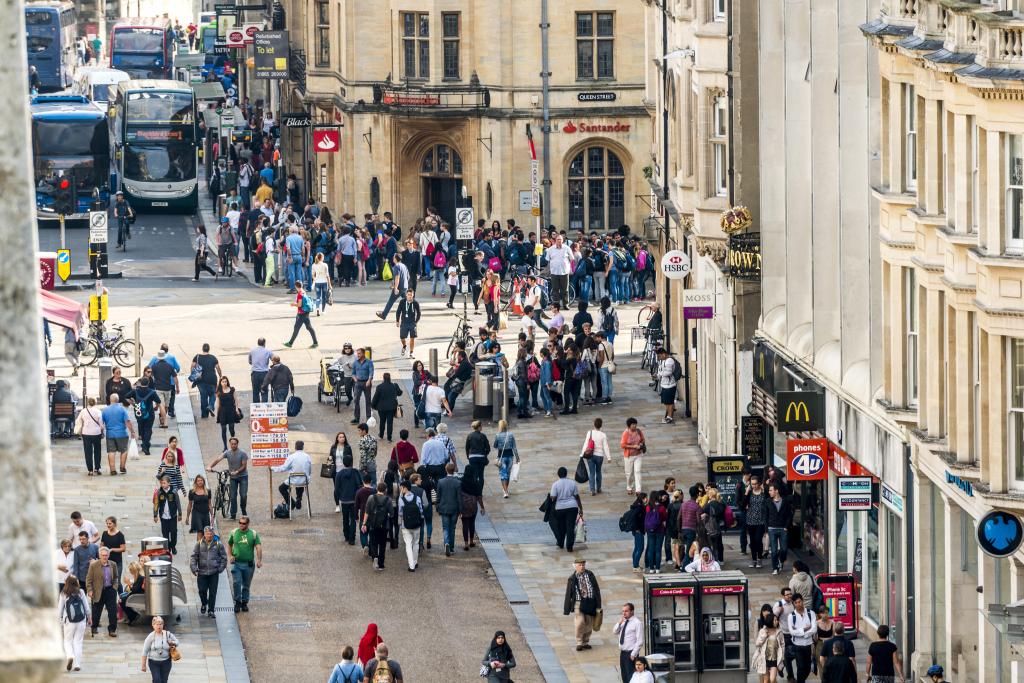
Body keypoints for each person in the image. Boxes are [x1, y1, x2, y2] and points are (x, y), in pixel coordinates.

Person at [563, 557, 601, 652]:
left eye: (583, 564)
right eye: (580, 565)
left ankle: (585, 642)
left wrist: (598, 603)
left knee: (589, 623)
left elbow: (596, 589)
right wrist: (566, 608)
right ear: (575, 566)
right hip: (578, 603)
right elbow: (568, 594)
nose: (582, 566)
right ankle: (579, 642)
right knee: (580, 622)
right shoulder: (572, 578)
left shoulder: (590, 574)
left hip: (590, 602)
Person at [190, 526, 227, 618]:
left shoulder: (218, 544)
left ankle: (211, 610)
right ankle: (204, 603)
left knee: (213, 592)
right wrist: (194, 568)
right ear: (204, 534)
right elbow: (194, 557)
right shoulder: (198, 544)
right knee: (202, 591)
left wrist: (220, 568)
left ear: (213, 534)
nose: (209, 535)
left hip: (214, 573)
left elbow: (224, 558)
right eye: (207, 534)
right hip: (202, 572)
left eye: (210, 533)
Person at [227, 516, 262, 613]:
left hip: (249, 565)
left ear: (248, 524)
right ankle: (237, 602)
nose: (241, 525)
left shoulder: (253, 534)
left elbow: (258, 547)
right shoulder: (234, 533)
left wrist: (259, 560)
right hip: (236, 563)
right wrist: (230, 556)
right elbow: (229, 544)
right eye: (240, 523)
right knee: (236, 583)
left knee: (246, 585)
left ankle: (244, 602)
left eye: (244, 523)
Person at [210, 438, 248, 519]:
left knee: (243, 495)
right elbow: (218, 459)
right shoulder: (227, 452)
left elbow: (244, 466)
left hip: (243, 477)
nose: (233, 445)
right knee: (233, 496)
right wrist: (210, 466)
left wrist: (237, 471)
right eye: (232, 444)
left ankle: (243, 509)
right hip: (233, 477)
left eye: (235, 444)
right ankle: (233, 514)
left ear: (237, 444)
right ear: (230, 444)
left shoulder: (243, 453)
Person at [85, 547, 119, 638]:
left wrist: (114, 587)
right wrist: (90, 590)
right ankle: (94, 627)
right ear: (99, 556)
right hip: (98, 591)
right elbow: (88, 579)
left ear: (109, 555)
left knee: (112, 611)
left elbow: (116, 577)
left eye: (106, 555)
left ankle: (112, 630)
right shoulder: (93, 565)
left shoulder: (113, 564)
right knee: (96, 611)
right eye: (103, 555)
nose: (105, 557)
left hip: (110, 591)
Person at [58, 575, 90, 672]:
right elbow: (86, 607)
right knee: (78, 642)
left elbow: (59, 610)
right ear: (76, 583)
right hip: (81, 620)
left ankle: (70, 656)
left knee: (67, 641)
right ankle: (77, 665)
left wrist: (59, 620)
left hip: (69, 622)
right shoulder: (81, 592)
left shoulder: (63, 594)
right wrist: (89, 617)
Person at [362, 483, 394, 571]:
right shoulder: (388, 500)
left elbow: (367, 512)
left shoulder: (371, 498)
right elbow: (392, 514)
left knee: (373, 542)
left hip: (373, 524)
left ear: (377, 489)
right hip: (384, 526)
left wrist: (364, 523)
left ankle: (374, 556)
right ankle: (381, 564)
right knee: (383, 545)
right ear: (385, 490)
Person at [549, 466, 583, 552]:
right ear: (566, 474)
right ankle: (569, 546)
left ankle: (560, 542)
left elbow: (553, 497)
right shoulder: (572, 483)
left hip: (560, 508)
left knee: (561, 526)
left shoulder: (555, 484)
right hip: (572, 507)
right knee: (570, 526)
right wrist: (581, 508)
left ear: (558, 475)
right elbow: (576, 496)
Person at [102, 393, 136, 475]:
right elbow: (127, 422)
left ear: (110, 400)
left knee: (111, 451)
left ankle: (112, 469)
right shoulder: (122, 409)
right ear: (118, 400)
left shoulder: (105, 410)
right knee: (124, 450)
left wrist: (102, 432)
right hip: (122, 433)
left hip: (110, 434)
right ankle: (122, 467)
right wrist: (132, 431)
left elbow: (101, 423)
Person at [272, 441, 313, 509]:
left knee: (281, 488)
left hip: (293, 480)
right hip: (304, 480)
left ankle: (292, 503)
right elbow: (309, 471)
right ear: (303, 447)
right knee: (300, 482)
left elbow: (283, 468)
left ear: (295, 447)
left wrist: (273, 468)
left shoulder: (292, 457)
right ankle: (299, 498)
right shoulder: (307, 457)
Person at [141, 616, 179, 683]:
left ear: (163, 625)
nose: (159, 626)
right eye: (157, 624)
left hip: (166, 662)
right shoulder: (150, 636)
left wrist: (172, 643)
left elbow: (177, 642)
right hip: (153, 662)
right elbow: (145, 651)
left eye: (161, 624)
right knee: (157, 680)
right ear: (153, 625)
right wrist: (143, 665)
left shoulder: (168, 634)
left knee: (164, 681)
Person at [787, 593, 815, 683]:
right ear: (793, 604)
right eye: (796, 603)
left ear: (803, 601)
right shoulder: (791, 616)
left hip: (808, 644)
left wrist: (803, 633)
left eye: (800, 602)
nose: (798, 604)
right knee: (800, 667)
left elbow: (814, 629)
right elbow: (792, 632)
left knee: (807, 667)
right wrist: (805, 629)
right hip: (797, 645)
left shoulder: (811, 613)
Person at [397, 480, 424, 571]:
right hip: (416, 524)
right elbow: (421, 511)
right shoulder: (417, 498)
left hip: (406, 525)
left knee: (408, 544)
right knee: (415, 543)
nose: (400, 489)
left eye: (401, 487)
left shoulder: (401, 499)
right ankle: (415, 562)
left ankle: (411, 565)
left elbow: (400, 513)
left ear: (405, 488)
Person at [766, 483, 793, 575]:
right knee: (773, 551)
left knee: (784, 549)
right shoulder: (768, 501)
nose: (769, 492)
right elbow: (765, 515)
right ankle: (775, 568)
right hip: (772, 528)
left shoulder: (785, 501)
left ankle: (781, 561)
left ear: (776, 491)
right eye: (769, 490)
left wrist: (786, 526)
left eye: (771, 490)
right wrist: (766, 529)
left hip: (782, 528)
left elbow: (789, 514)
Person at [614, 602, 644, 683]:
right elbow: (615, 631)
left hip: (631, 653)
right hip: (623, 653)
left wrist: (633, 654)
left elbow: (640, 640)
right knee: (624, 675)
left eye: (626, 611)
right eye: (623, 611)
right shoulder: (623, 621)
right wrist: (619, 623)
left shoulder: (637, 623)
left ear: (632, 611)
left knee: (631, 675)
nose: (624, 613)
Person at [461, 456, 486, 550]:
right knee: (472, 523)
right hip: (473, 505)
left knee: (465, 524)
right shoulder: (476, 482)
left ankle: (466, 543)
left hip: (464, 505)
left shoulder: (461, 481)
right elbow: (479, 497)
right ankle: (471, 541)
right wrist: (482, 507)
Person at [284, 281, 319, 348]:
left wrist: (293, 304)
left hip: (302, 314)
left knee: (296, 328)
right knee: (309, 327)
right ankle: (315, 342)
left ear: (296, 286)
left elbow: (299, 304)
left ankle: (290, 343)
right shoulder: (303, 292)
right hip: (306, 312)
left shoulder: (300, 294)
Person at [190, 343, 221, 418]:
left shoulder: (197, 357)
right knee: (213, 394)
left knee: (203, 397)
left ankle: (204, 415)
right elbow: (218, 368)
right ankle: (210, 406)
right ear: (209, 349)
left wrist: (194, 375)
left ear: (202, 349)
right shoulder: (213, 358)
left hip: (201, 380)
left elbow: (192, 367)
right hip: (212, 380)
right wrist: (221, 376)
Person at [153, 476, 182, 554]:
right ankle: (168, 547)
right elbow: (156, 504)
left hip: (172, 516)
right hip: (163, 517)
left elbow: (178, 503)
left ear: (169, 483)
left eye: (164, 483)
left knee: (174, 532)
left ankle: (173, 546)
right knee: (165, 533)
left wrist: (180, 513)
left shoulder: (174, 492)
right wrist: (155, 515)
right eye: (162, 483)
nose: (163, 485)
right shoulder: (159, 492)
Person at [752, 612, 785, 683]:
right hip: (764, 659)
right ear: (770, 621)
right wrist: (764, 636)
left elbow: (782, 644)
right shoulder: (763, 631)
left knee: (772, 679)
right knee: (766, 680)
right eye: (775, 620)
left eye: (777, 620)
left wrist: (782, 655)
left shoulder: (779, 632)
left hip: (775, 659)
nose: (777, 621)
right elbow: (757, 644)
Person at [76, 397, 105, 475]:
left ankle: (90, 470)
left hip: (86, 433)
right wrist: (102, 431)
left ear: (88, 403)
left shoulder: (83, 411)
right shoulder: (98, 411)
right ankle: (97, 468)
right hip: (96, 433)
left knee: (88, 452)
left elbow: (78, 421)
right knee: (97, 451)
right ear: (95, 403)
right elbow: (101, 425)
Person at [582, 417, 610, 495]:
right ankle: (599, 488)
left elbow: (586, 443)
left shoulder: (590, 432)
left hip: (590, 455)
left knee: (592, 473)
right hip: (599, 456)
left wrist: (582, 453)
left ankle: (592, 490)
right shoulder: (603, 435)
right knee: (598, 472)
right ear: (601, 425)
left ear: (594, 424)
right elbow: (606, 446)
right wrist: (609, 457)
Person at [371, 373, 403, 442]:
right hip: (391, 408)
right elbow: (400, 393)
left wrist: (372, 405)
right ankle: (389, 437)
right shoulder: (394, 385)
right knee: (390, 422)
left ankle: (381, 434)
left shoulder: (379, 387)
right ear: (390, 378)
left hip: (381, 408)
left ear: (383, 378)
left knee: (382, 421)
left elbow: (376, 397)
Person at [493, 420, 519, 498]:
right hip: (510, 457)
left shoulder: (497, 435)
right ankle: (505, 490)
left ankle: (505, 491)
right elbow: (514, 447)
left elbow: (495, 445)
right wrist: (517, 457)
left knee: (503, 474)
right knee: (507, 474)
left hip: (502, 457)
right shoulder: (511, 435)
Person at [215, 376, 242, 449]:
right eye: (223, 381)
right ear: (220, 383)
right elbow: (217, 404)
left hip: (231, 410)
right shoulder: (218, 392)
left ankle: (233, 442)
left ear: (227, 382)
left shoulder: (232, 389)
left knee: (231, 428)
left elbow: (236, 399)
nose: (224, 383)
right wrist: (217, 414)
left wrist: (237, 409)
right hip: (223, 412)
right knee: (223, 429)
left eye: (225, 381)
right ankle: (225, 446)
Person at [620, 417, 646, 495]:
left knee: (637, 471)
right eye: (633, 424)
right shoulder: (626, 433)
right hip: (629, 456)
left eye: (635, 424)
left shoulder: (638, 431)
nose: (634, 426)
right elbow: (622, 445)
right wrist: (634, 446)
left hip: (638, 455)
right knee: (629, 473)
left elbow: (643, 439)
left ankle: (638, 490)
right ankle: (629, 487)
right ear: (629, 425)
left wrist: (641, 444)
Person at [350, 347, 375, 425]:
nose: (358, 355)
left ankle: (368, 418)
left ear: (363, 353)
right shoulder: (355, 363)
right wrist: (355, 379)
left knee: (368, 401)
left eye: (359, 353)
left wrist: (369, 380)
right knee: (356, 400)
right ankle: (357, 418)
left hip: (367, 383)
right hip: (358, 383)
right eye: (357, 353)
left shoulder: (369, 362)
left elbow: (371, 372)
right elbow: (353, 373)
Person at [186, 475, 212, 542]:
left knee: (205, 532)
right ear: (195, 482)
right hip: (196, 513)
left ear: (203, 481)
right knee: (200, 531)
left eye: (201, 480)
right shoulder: (192, 492)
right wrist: (187, 517)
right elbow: (190, 505)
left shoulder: (208, 491)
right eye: (198, 481)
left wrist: (212, 515)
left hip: (206, 513)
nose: (200, 482)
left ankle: (202, 547)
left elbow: (209, 504)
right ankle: (199, 549)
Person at [395, 288, 421, 357]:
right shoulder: (402, 302)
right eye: (408, 295)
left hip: (412, 323)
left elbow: (419, 313)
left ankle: (411, 352)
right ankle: (404, 345)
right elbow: (398, 311)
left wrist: (416, 322)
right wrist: (397, 320)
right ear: (406, 295)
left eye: (411, 295)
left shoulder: (415, 303)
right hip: (404, 322)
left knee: (412, 338)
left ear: (413, 295)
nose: (409, 296)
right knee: (402, 337)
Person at [655, 348, 678, 423]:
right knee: (666, 402)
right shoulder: (664, 361)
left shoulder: (669, 361)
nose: (659, 358)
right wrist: (657, 375)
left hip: (670, 385)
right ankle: (668, 414)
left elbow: (668, 373)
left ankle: (669, 417)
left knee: (670, 402)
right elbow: (662, 371)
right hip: (665, 384)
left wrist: (660, 374)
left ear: (663, 354)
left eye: (660, 356)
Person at [100, 516, 126, 581]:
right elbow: (101, 546)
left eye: (110, 523)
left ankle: (120, 591)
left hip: (117, 562)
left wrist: (112, 549)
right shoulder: (104, 533)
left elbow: (123, 549)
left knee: (117, 581)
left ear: (114, 524)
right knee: (107, 580)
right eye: (107, 523)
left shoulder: (120, 535)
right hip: (106, 561)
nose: (108, 525)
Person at [248, 338, 273, 403]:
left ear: (257, 343)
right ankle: (264, 407)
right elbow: (275, 360)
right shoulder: (268, 351)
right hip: (264, 374)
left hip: (255, 373)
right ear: (264, 343)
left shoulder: (252, 351)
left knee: (255, 391)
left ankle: (256, 408)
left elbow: (250, 362)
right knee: (264, 390)